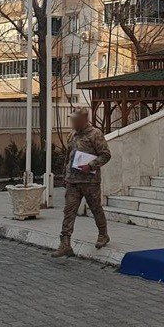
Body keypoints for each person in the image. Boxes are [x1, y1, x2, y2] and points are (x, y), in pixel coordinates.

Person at [51, 107, 112, 258]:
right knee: (69, 212)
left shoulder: (95, 134)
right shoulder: (72, 135)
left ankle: (103, 234)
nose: (73, 122)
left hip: (90, 182)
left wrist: (90, 166)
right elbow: (68, 157)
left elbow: (106, 155)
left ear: (83, 119)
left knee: (96, 208)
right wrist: (65, 175)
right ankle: (65, 243)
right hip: (73, 181)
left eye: (75, 119)